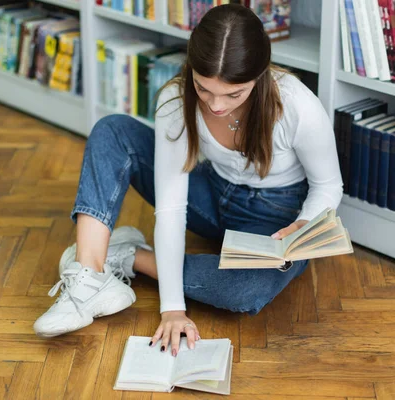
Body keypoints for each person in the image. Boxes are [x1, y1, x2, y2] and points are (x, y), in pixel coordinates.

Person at [33, 3, 343, 358]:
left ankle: (129, 257)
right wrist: (172, 309)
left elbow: (328, 186)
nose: (215, 105)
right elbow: (171, 208)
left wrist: (304, 225)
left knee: (245, 290)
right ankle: (88, 275)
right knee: (112, 131)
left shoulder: (296, 104)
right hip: (212, 194)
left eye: (233, 94)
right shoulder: (175, 99)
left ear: (259, 76)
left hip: (277, 218)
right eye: (204, 88)